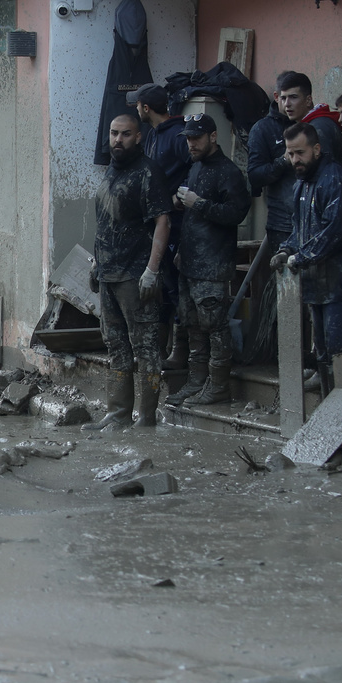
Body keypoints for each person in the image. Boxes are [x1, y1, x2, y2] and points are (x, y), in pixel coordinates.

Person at [83, 111, 171, 432]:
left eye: (125, 134)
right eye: (113, 133)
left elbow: (163, 220)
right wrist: (96, 261)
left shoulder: (148, 172)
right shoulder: (111, 171)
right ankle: (118, 414)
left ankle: (146, 419)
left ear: (139, 137)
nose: (117, 140)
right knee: (116, 346)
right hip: (108, 273)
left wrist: (152, 269)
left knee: (145, 349)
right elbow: (106, 221)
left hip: (135, 276)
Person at [165, 113, 251, 406]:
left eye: (196, 138)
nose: (191, 144)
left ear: (213, 137)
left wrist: (199, 204)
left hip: (213, 263)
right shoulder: (195, 167)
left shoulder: (229, 172)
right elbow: (193, 215)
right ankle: (196, 382)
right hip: (190, 260)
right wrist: (182, 207)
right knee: (192, 324)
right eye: (188, 138)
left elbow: (237, 213)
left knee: (215, 326)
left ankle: (218, 387)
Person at [269, 122, 342, 395]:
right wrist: (285, 250)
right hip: (314, 286)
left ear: (316, 149)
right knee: (322, 355)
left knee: (339, 352)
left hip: (336, 285)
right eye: (291, 154)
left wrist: (301, 257)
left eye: (300, 153)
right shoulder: (301, 186)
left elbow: (335, 232)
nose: (295, 160)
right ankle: (330, 414)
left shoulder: (334, 179)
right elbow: (299, 230)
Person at [129, 82, 191, 369]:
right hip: (156, 224)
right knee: (164, 288)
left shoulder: (178, 135)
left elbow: (196, 167)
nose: (135, 109)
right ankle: (164, 347)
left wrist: (180, 197)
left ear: (145, 107)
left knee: (178, 288)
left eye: (137, 104)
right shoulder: (153, 135)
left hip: (178, 225)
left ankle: (183, 351)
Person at [247, 74, 295, 252]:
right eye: (284, 97)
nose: (289, 103)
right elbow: (255, 176)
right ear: (277, 97)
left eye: (294, 97)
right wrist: (282, 161)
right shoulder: (263, 129)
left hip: (314, 222)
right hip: (282, 224)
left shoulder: (312, 124)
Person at [276, 71, 342, 168]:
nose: (287, 104)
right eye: (283, 98)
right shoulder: (313, 124)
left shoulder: (318, 127)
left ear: (308, 100)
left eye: (293, 97)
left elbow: (324, 173)